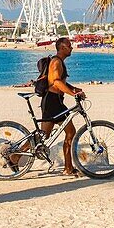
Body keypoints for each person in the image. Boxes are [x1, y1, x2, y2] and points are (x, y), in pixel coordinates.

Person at [40, 37, 85, 177]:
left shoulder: (60, 62)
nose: (71, 48)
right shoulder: (56, 62)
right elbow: (56, 82)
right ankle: (68, 168)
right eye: (69, 46)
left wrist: (75, 89)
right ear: (61, 47)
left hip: (54, 101)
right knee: (71, 132)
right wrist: (72, 93)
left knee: (44, 137)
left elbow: (62, 82)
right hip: (53, 102)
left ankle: (14, 157)